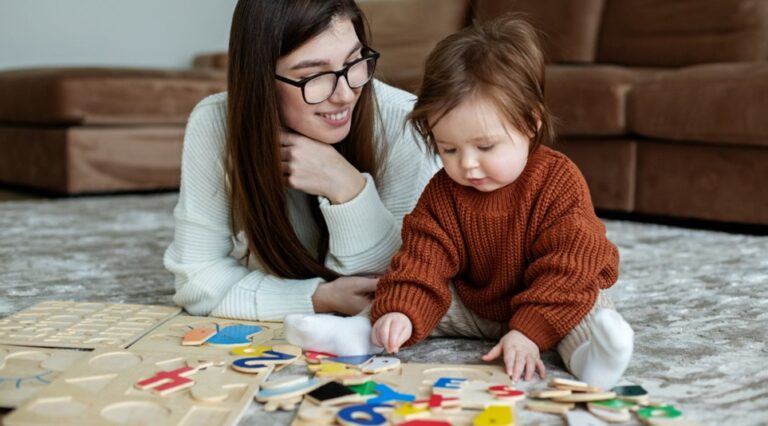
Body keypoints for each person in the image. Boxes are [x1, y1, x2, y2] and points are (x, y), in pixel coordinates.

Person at [285, 15, 634, 389]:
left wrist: (529, 332)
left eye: (485, 147)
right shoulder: (444, 191)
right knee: (415, 296)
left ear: (530, 124)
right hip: (475, 305)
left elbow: (571, 265)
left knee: (586, 305)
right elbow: (424, 257)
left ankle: (593, 359)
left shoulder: (557, 181)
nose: (467, 164)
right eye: (448, 149)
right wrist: (400, 310)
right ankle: (359, 334)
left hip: (543, 296)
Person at [164, 0, 439, 321]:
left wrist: (347, 188)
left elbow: (399, 289)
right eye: (315, 76)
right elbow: (197, 282)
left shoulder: (408, 124)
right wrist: (319, 298)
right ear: (261, 78)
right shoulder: (215, 122)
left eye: (354, 61)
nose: (346, 94)